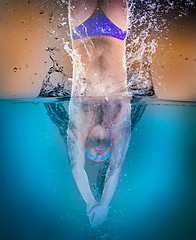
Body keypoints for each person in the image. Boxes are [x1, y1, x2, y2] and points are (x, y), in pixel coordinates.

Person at [67, 0, 132, 227]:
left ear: (86, 141)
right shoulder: (119, 121)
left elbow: (77, 167)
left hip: (81, 30)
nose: (102, 137)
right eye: (105, 141)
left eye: (95, 141)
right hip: (116, 31)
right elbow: (115, 168)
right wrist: (104, 204)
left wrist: (90, 201)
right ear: (112, 140)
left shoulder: (78, 122)